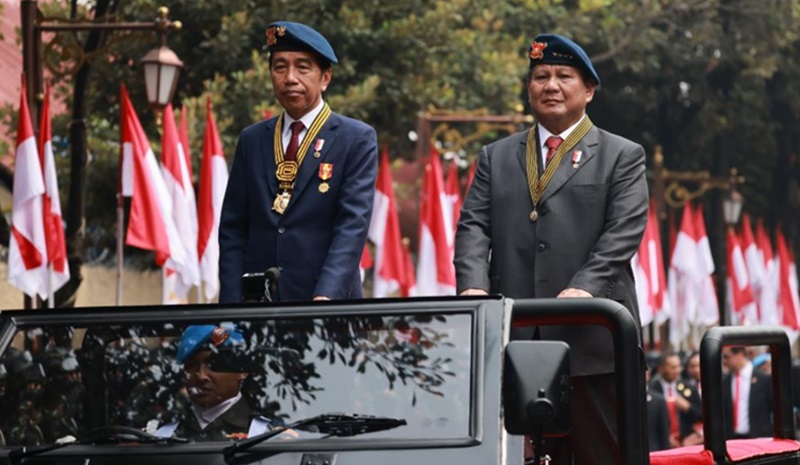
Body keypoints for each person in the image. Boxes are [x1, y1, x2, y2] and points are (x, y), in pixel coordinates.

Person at [454, 33, 649, 464]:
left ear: (589, 90)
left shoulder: (621, 155)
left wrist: (585, 288)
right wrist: (471, 286)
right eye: (541, 76)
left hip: (593, 339)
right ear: (529, 88)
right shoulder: (496, 156)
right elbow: (473, 226)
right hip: (516, 336)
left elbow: (623, 233)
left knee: (605, 454)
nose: (551, 85)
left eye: (564, 76)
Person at [219, 21, 378, 303]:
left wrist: (325, 298)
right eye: (280, 67)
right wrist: (232, 307)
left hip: (326, 308)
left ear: (325, 78)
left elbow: (352, 227)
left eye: (302, 68)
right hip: (258, 310)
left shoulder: (356, 138)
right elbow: (233, 231)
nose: (290, 77)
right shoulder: (252, 139)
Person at [155, 325, 270, 441]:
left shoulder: (264, 433)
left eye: (213, 365)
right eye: (191, 366)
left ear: (241, 370)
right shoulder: (164, 433)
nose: (201, 376)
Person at [649, 353, 702, 447]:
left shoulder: (688, 388)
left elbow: (700, 416)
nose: (677, 371)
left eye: (679, 367)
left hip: (686, 442)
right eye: (673, 367)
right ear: (661, 368)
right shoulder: (652, 390)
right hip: (662, 442)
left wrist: (688, 407)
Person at [722, 346, 772, 439]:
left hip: (758, 438)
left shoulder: (764, 379)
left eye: (727, 357)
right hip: (732, 439)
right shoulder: (725, 381)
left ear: (740, 354)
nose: (724, 362)